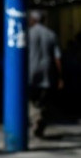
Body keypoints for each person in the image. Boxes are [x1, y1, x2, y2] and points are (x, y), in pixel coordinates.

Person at [27, 9, 64, 138]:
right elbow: (57, 58)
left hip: (30, 73)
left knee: (30, 100)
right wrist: (60, 77)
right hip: (47, 74)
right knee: (44, 101)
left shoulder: (28, 34)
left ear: (33, 19)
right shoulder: (51, 34)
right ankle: (40, 120)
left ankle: (36, 118)